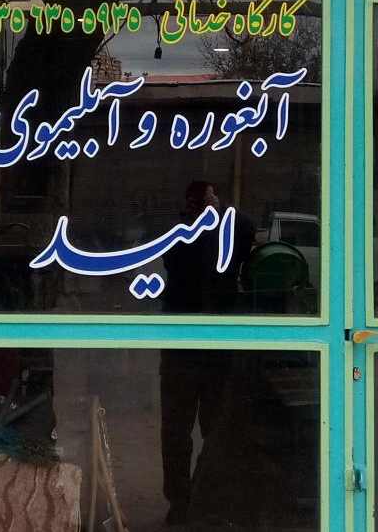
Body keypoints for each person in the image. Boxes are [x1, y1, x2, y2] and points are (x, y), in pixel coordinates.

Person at [159, 180, 255, 526]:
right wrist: (197, 219)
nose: (204, 204)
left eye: (208, 197)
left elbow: (245, 228)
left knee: (216, 429)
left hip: (214, 349)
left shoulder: (229, 228)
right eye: (198, 200)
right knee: (177, 431)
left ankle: (200, 497)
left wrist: (216, 214)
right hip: (184, 349)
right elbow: (173, 260)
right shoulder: (179, 233)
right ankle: (182, 501)